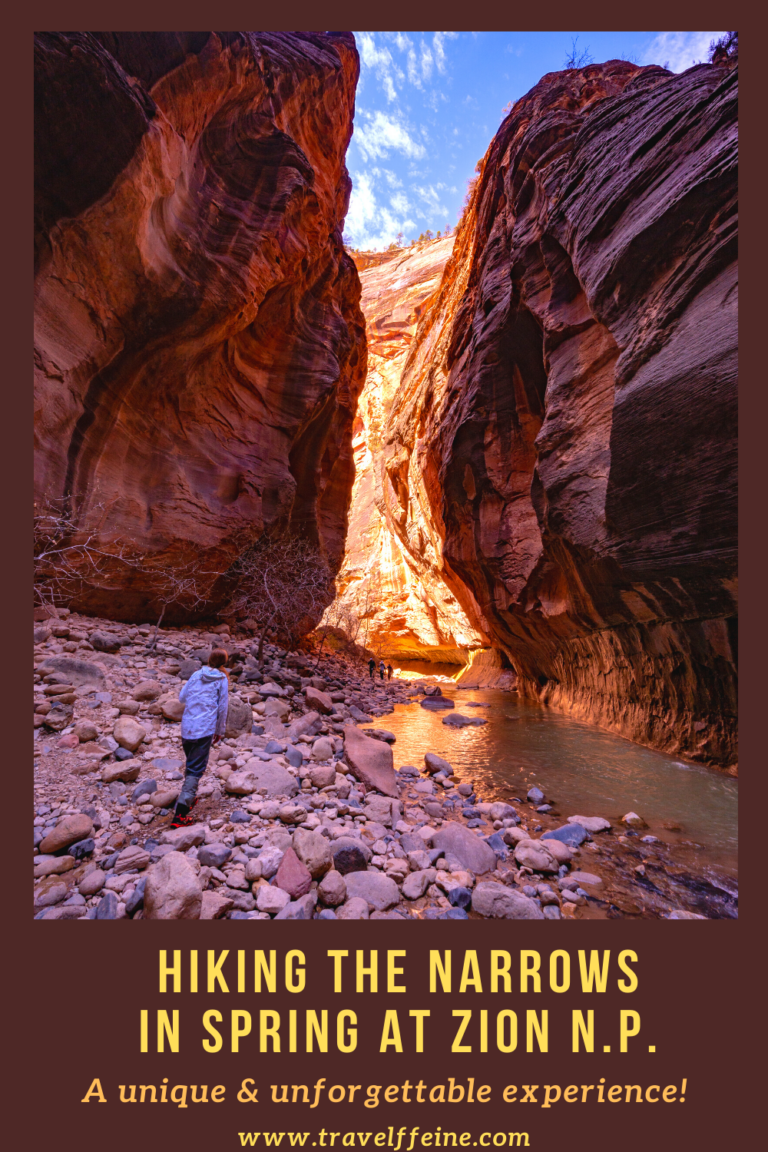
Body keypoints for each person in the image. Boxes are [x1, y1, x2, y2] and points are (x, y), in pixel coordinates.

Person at [170, 648, 229, 827]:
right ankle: (180, 815)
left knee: (191, 764)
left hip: (187, 727)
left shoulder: (196, 674)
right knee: (195, 769)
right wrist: (220, 730)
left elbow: (181, 698)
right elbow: (222, 707)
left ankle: (189, 796)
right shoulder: (222, 679)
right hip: (204, 728)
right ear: (224, 663)